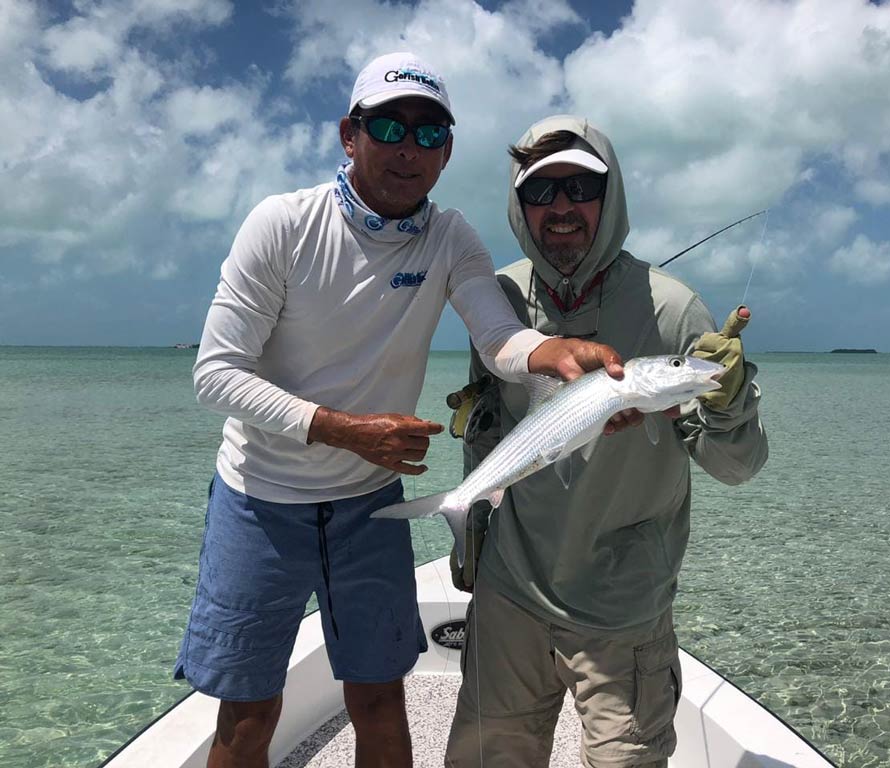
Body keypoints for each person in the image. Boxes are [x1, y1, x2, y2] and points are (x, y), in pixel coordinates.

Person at [173, 56, 629, 768]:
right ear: (349, 136)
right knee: (249, 714)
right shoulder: (283, 225)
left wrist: (555, 354)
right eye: (388, 126)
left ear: (446, 152)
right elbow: (215, 374)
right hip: (259, 499)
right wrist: (342, 430)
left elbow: (500, 336)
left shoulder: (449, 238)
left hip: (368, 505)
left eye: (428, 131)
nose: (407, 147)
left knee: (382, 700)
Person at [444, 116, 769, 767]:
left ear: (610, 194)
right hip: (511, 593)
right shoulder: (499, 297)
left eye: (581, 187)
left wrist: (728, 403)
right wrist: (472, 534)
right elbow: (485, 429)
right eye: (541, 192)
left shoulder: (673, 310)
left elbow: (736, 468)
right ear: (519, 205)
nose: (561, 207)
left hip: (621, 606)